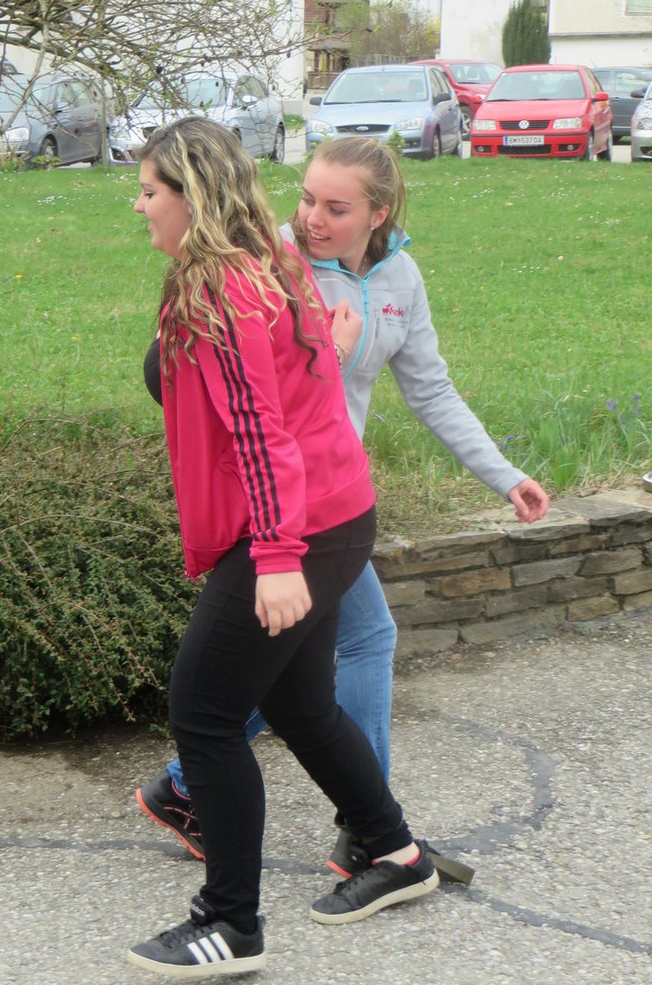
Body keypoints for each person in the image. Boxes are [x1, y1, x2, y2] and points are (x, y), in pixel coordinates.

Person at [137, 134, 550, 882]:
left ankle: (315, 825)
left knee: (298, 679)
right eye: (305, 200)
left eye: (335, 207)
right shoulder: (267, 261)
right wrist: (322, 357)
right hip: (291, 509)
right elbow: (212, 391)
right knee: (319, 668)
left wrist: (503, 473)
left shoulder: (399, 279)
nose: (311, 220)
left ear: (377, 214)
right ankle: (363, 832)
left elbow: (430, 388)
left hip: (327, 503)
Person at [127, 118, 442, 979]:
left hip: (296, 527)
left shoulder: (223, 289)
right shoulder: (266, 259)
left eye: (150, 191)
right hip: (335, 514)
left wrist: (273, 557)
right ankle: (394, 852)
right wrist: (320, 355)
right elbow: (268, 385)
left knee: (205, 715)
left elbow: (260, 434)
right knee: (300, 705)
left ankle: (230, 924)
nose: (139, 206)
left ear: (191, 196)